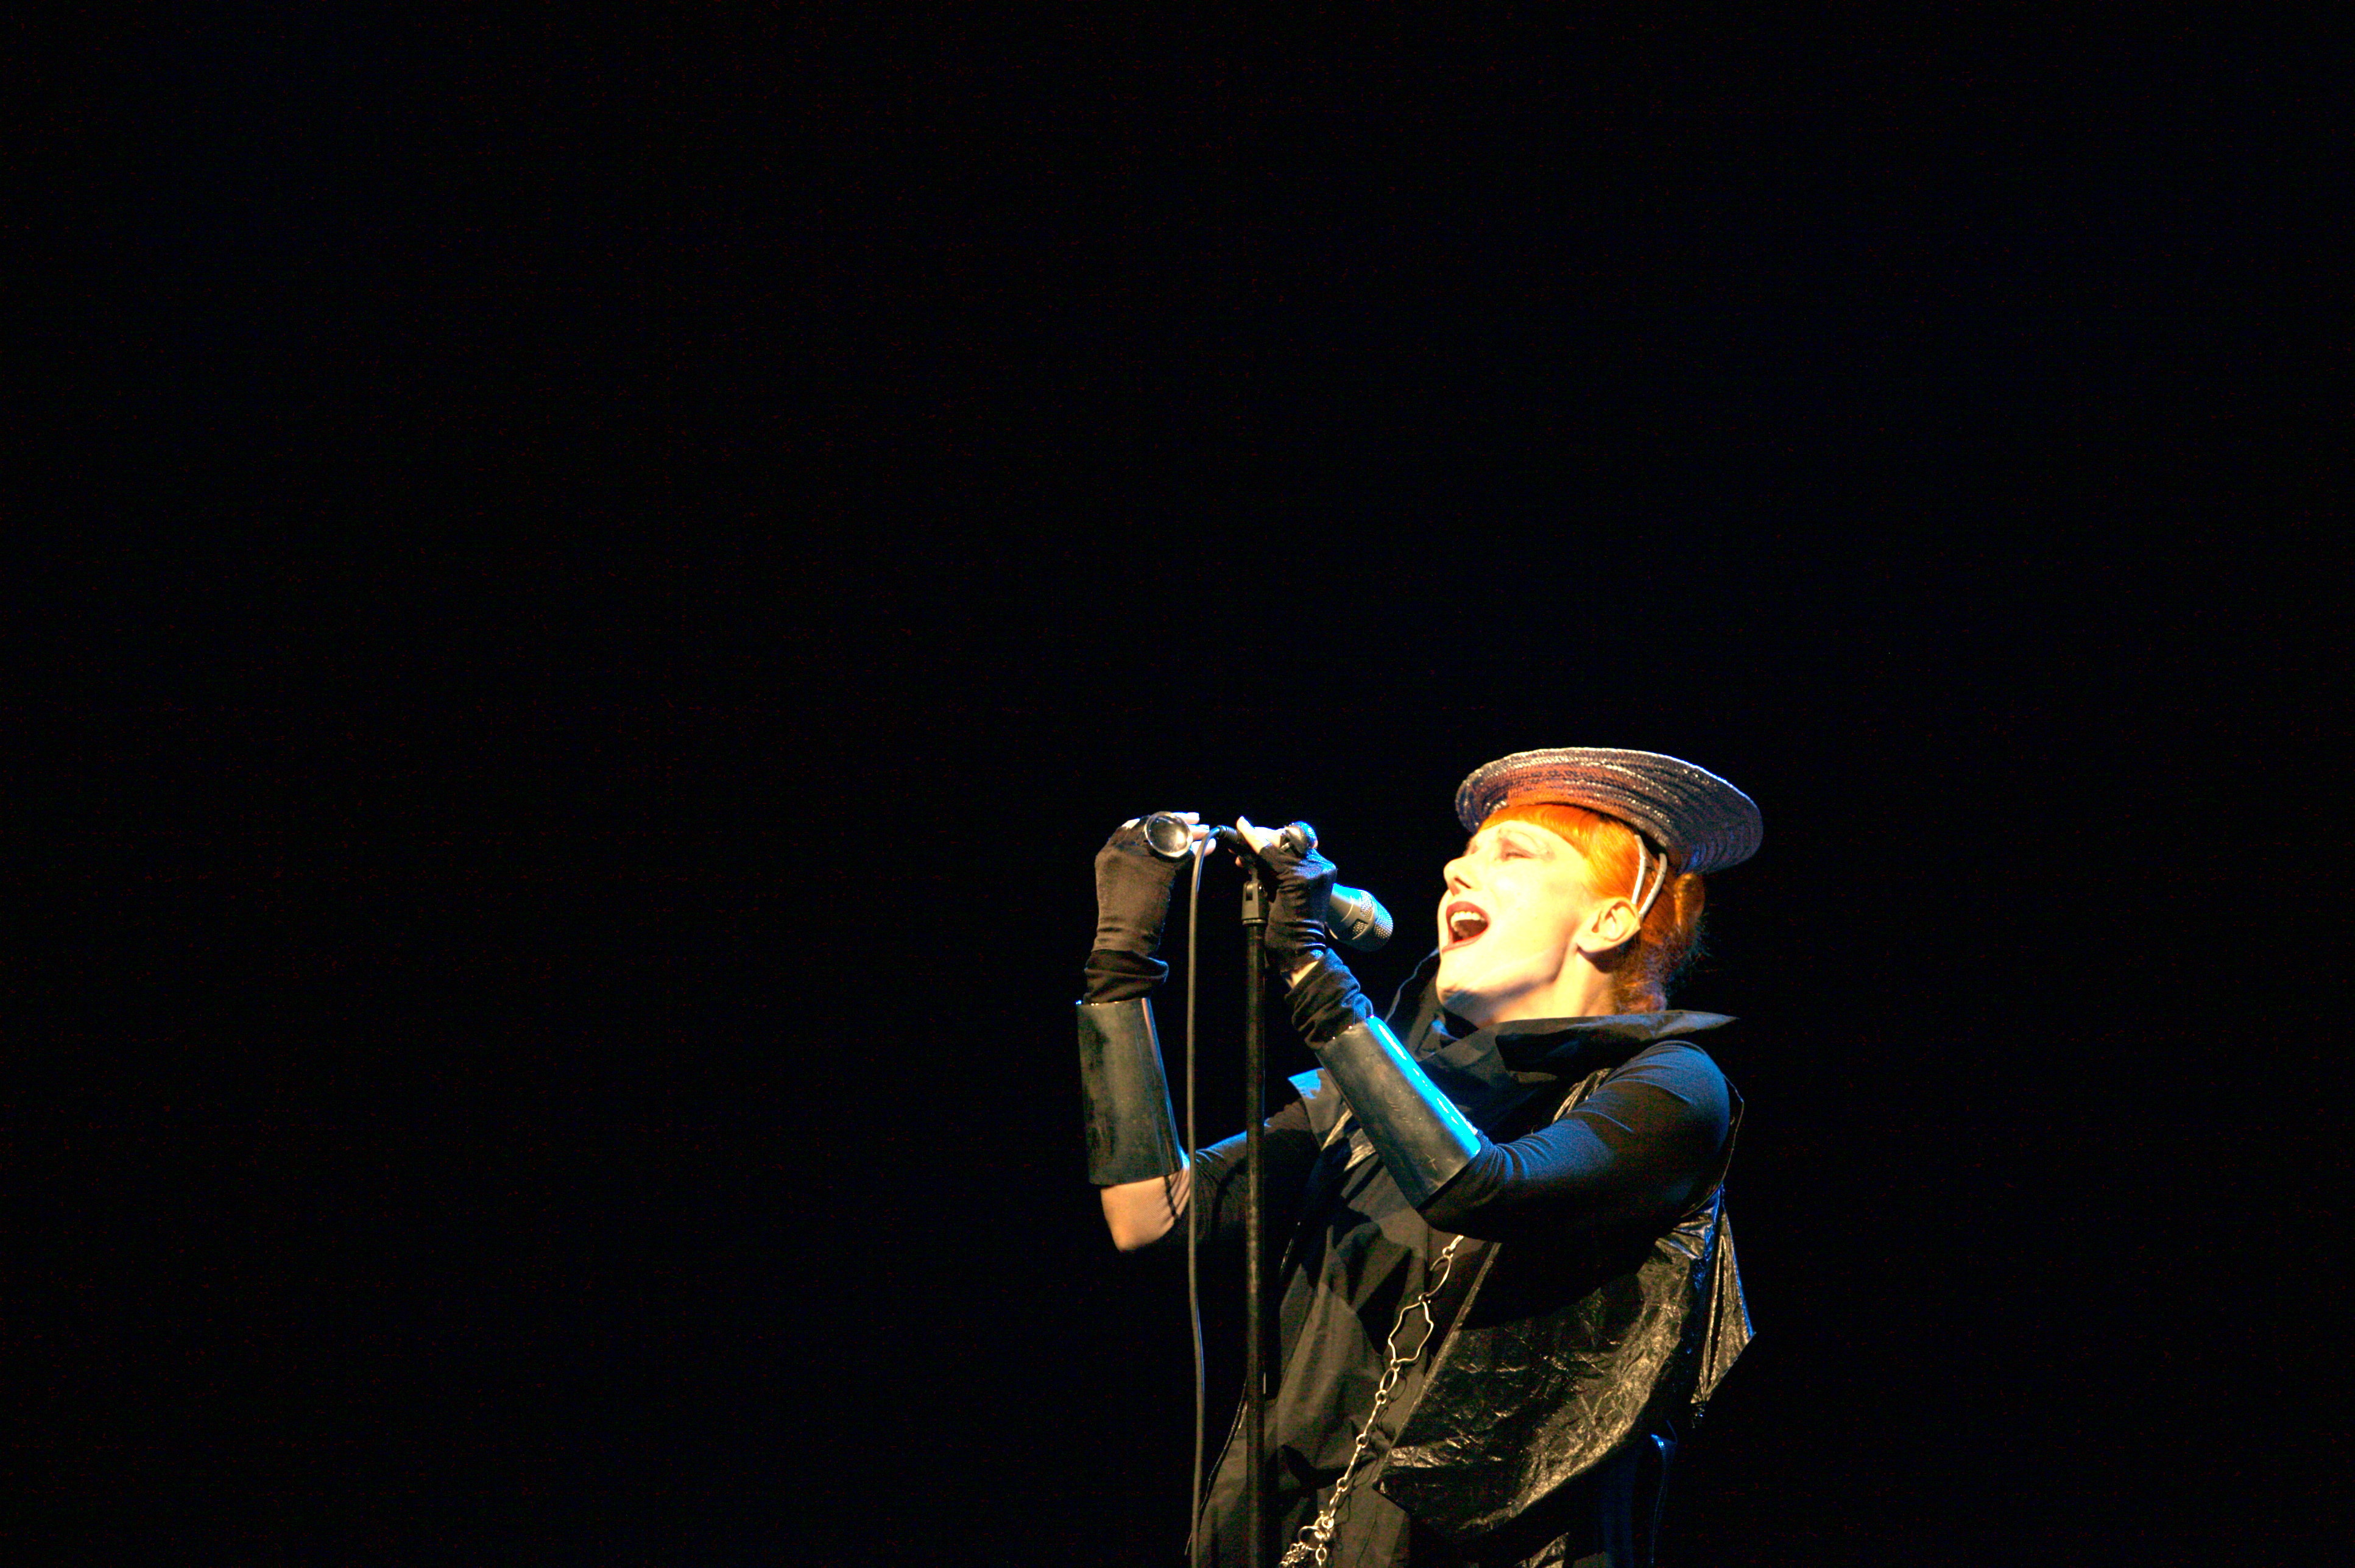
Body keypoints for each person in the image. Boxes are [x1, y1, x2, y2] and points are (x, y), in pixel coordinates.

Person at [1076, 749, 1761, 1568]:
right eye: (1465, 854)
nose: (1455, 871)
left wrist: (1315, 976)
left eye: (1513, 854)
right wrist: (1121, 964)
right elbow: (1151, 1213)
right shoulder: (1387, 1088)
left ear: (1609, 922)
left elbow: (1481, 1186)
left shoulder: (1673, 1084)